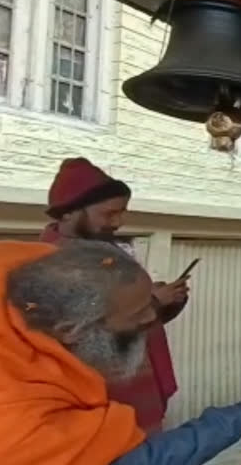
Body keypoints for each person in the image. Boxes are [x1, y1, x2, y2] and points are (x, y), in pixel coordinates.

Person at [0, 239, 241, 465]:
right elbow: (147, 459)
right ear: (71, 331)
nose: (151, 317)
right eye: (138, 314)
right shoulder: (15, 421)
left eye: (150, 303)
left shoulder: (22, 298)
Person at [40, 157, 189, 432]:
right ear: (68, 213)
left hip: (138, 401)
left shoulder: (106, 252)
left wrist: (164, 303)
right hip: (100, 414)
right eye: (109, 214)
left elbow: (127, 318)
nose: (118, 222)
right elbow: (81, 333)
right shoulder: (51, 264)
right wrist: (155, 300)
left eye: (122, 212)